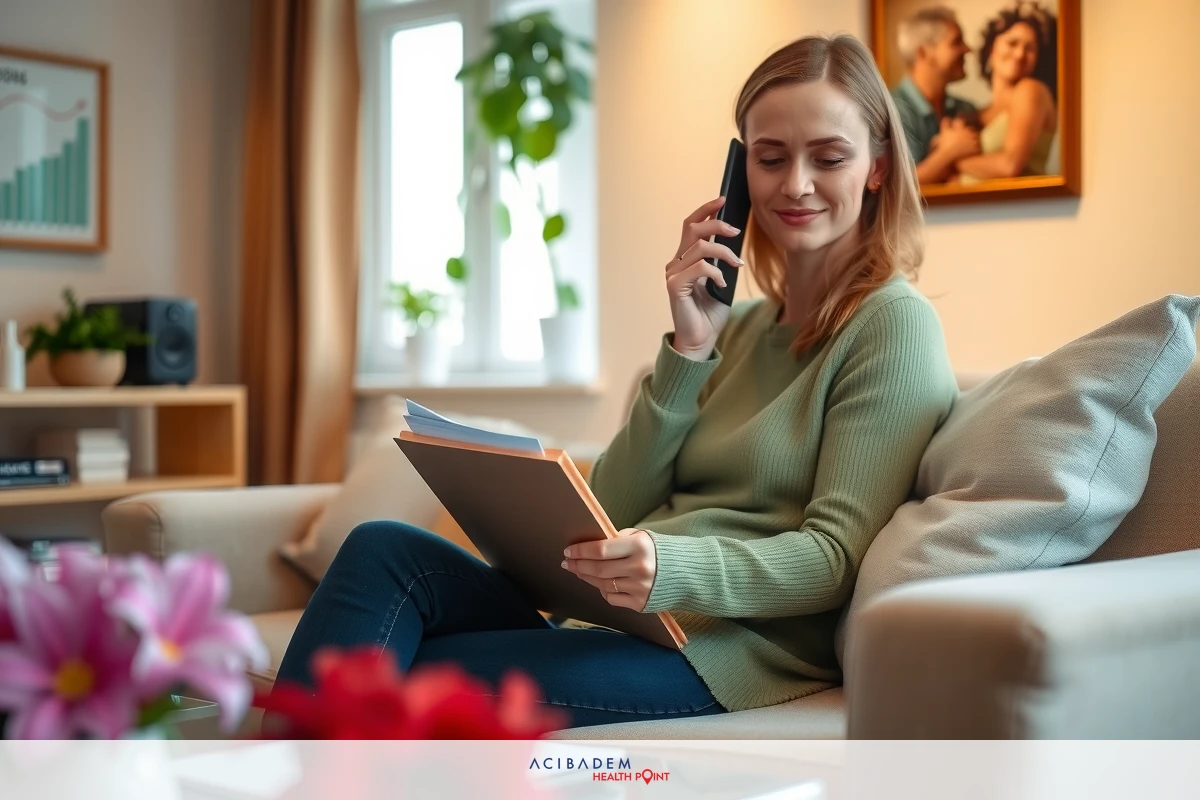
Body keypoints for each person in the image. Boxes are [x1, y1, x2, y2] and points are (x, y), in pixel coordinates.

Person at [274, 34, 959, 730]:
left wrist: (670, 566)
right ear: (739, 170)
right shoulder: (740, 326)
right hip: (626, 618)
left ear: (877, 165)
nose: (796, 184)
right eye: (770, 157)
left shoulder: (892, 327)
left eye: (830, 157)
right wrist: (690, 349)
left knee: (388, 672)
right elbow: (613, 504)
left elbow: (834, 559)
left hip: (721, 651)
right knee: (382, 547)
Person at [955, 2, 1058, 184]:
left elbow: (1010, 166)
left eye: (1030, 48)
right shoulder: (979, 112)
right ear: (991, 50)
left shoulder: (1031, 90)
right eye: (1012, 43)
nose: (1019, 54)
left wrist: (953, 160)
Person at [891, 5, 981, 185]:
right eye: (956, 42)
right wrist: (950, 151)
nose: (968, 50)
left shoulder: (966, 108)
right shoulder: (889, 110)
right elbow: (900, 187)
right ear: (923, 53)